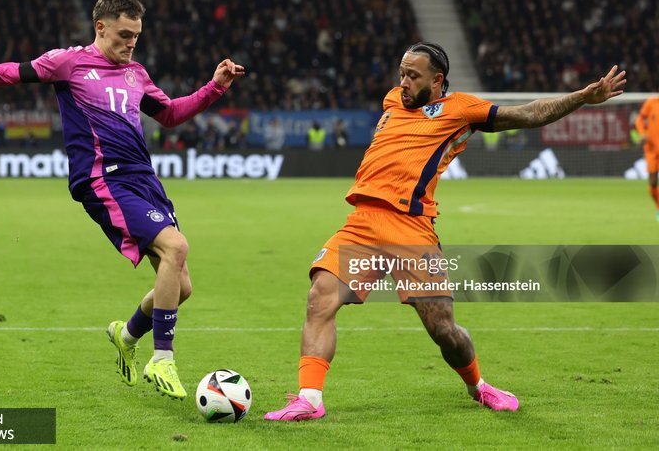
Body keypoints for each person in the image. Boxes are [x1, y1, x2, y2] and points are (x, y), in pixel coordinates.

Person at [0, 0, 244, 400]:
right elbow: (3, 73)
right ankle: (162, 358)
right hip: (103, 179)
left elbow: (169, 115)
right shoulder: (68, 63)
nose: (131, 43)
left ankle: (126, 335)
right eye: (124, 35)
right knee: (176, 247)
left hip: (144, 180)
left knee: (180, 287)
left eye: (136, 36)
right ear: (101, 27)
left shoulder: (136, 73)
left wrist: (214, 87)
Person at [264, 41, 626, 421]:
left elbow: (527, 114)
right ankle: (310, 399)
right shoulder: (392, 101)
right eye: (401, 74)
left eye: (413, 76)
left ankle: (478, 386)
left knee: (442, 328)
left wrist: (581, 97)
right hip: (362, 222)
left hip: (411, 228)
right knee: (319, 298)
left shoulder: (461, 110)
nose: (403, 82)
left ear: (437, 81)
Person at [635, 96, 659, 220]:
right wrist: (642, 133)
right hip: (652, 150)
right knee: (653, 182)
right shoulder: (651, 102)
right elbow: (639, 119)